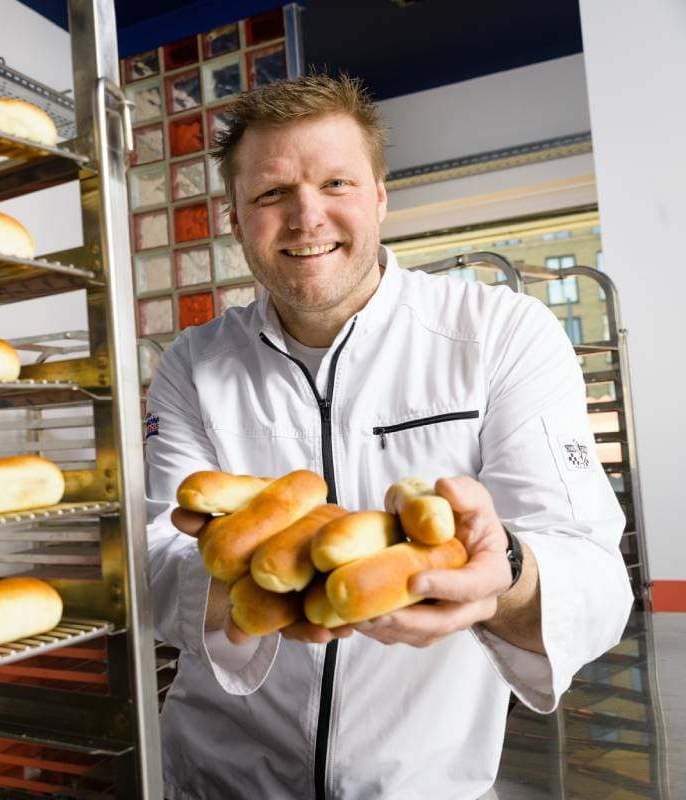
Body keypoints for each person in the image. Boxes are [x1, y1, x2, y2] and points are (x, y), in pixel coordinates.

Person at [143, 73, 632, 799]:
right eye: (272, 193)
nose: (306, 217)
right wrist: (268, 572)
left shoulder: (499, 334)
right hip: (218, 778)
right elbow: (153, 564)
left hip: (423, 783)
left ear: (379, 195)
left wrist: (501, 571)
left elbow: (593, 578)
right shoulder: (192, 363)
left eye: (335, 182)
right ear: (236, 220)